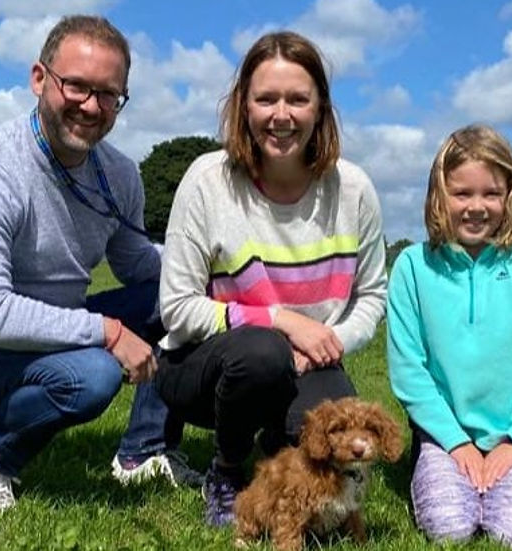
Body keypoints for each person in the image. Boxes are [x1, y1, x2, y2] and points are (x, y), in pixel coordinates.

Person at [0, 15, 196, 515]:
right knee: (92, 377)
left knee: (179, 298)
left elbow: (134, 263)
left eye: (108, 94)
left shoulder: (120, 173)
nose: (91, 106)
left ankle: (143, 453)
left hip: (53, 317)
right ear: (39, 79)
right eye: (77, 86)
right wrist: (106, 331)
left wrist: (206, 265)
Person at [150, 30, 387, 526]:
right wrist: (281, 321)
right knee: (262, 352)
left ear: (320, 108)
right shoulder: (207, 181)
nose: (282, 115)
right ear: (243, 106)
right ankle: (227, 468)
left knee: (318, 436)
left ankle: (275, 456)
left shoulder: (355, 189)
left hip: (310, 358)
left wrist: (326, 341)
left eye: (298, 99)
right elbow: (176, 307)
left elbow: (372, 295)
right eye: (266, 99)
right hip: (205, 363)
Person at [387, 124, 512, 546]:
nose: (476, 207)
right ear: (439, 195)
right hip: (442, 436)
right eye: (461, 193)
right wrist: (455, 444)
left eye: (491, 193)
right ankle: (435, 466)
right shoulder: (413, 267)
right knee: (449, 527)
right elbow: (408, 372)